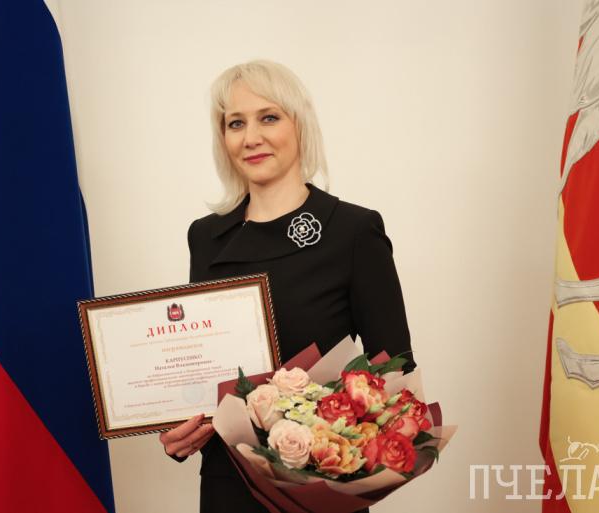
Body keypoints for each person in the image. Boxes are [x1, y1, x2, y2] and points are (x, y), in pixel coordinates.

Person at [158, 59, 416, 513]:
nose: (251, 137)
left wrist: (329, 444)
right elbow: (203, 365)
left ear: (300, 125)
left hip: (321, 487)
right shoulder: (205, 236)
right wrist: (180, 427)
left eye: (269, 117)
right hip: (227, 483)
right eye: (236, 123)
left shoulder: (352, 231)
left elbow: (394, 373)